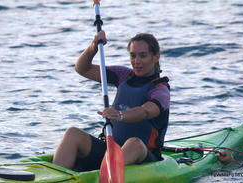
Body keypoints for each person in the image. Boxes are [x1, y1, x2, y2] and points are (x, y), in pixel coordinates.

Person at [52, 30, 170, 171]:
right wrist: (93, 47)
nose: (136, 61)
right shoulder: (123, 75)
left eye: (143, 56)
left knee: (134, 143)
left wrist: (120, 115)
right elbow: (82, 69)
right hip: (112, 152)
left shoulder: (160, 90)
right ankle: (56, 177)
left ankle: (103, 175)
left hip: (145, 158)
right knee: (73, 134)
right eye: (133, 56)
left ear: (156, 57)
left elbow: (145, 112)